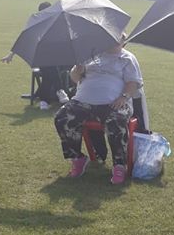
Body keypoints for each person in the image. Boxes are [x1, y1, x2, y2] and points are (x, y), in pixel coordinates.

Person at [54, 35, 147, 185]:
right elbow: (75, 78)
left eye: (118, 37)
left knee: (116, 121)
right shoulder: (90, 55)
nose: (114, 40)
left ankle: (119, 165)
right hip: (83, 102)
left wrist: (123, 97)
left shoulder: (127, 58)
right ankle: (77, 158)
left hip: (113, 103)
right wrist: (78, 70)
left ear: (123, 41)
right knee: (62, 117)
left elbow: (133, 82)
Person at [1, 2, 69, 111]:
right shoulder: (38, 23)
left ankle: (44, 100)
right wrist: (11, 55)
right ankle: (59, 91)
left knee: (49, 70)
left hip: (61, 59)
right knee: (49, 68)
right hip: (45, 59)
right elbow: (24, 39)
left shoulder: (59, 22)